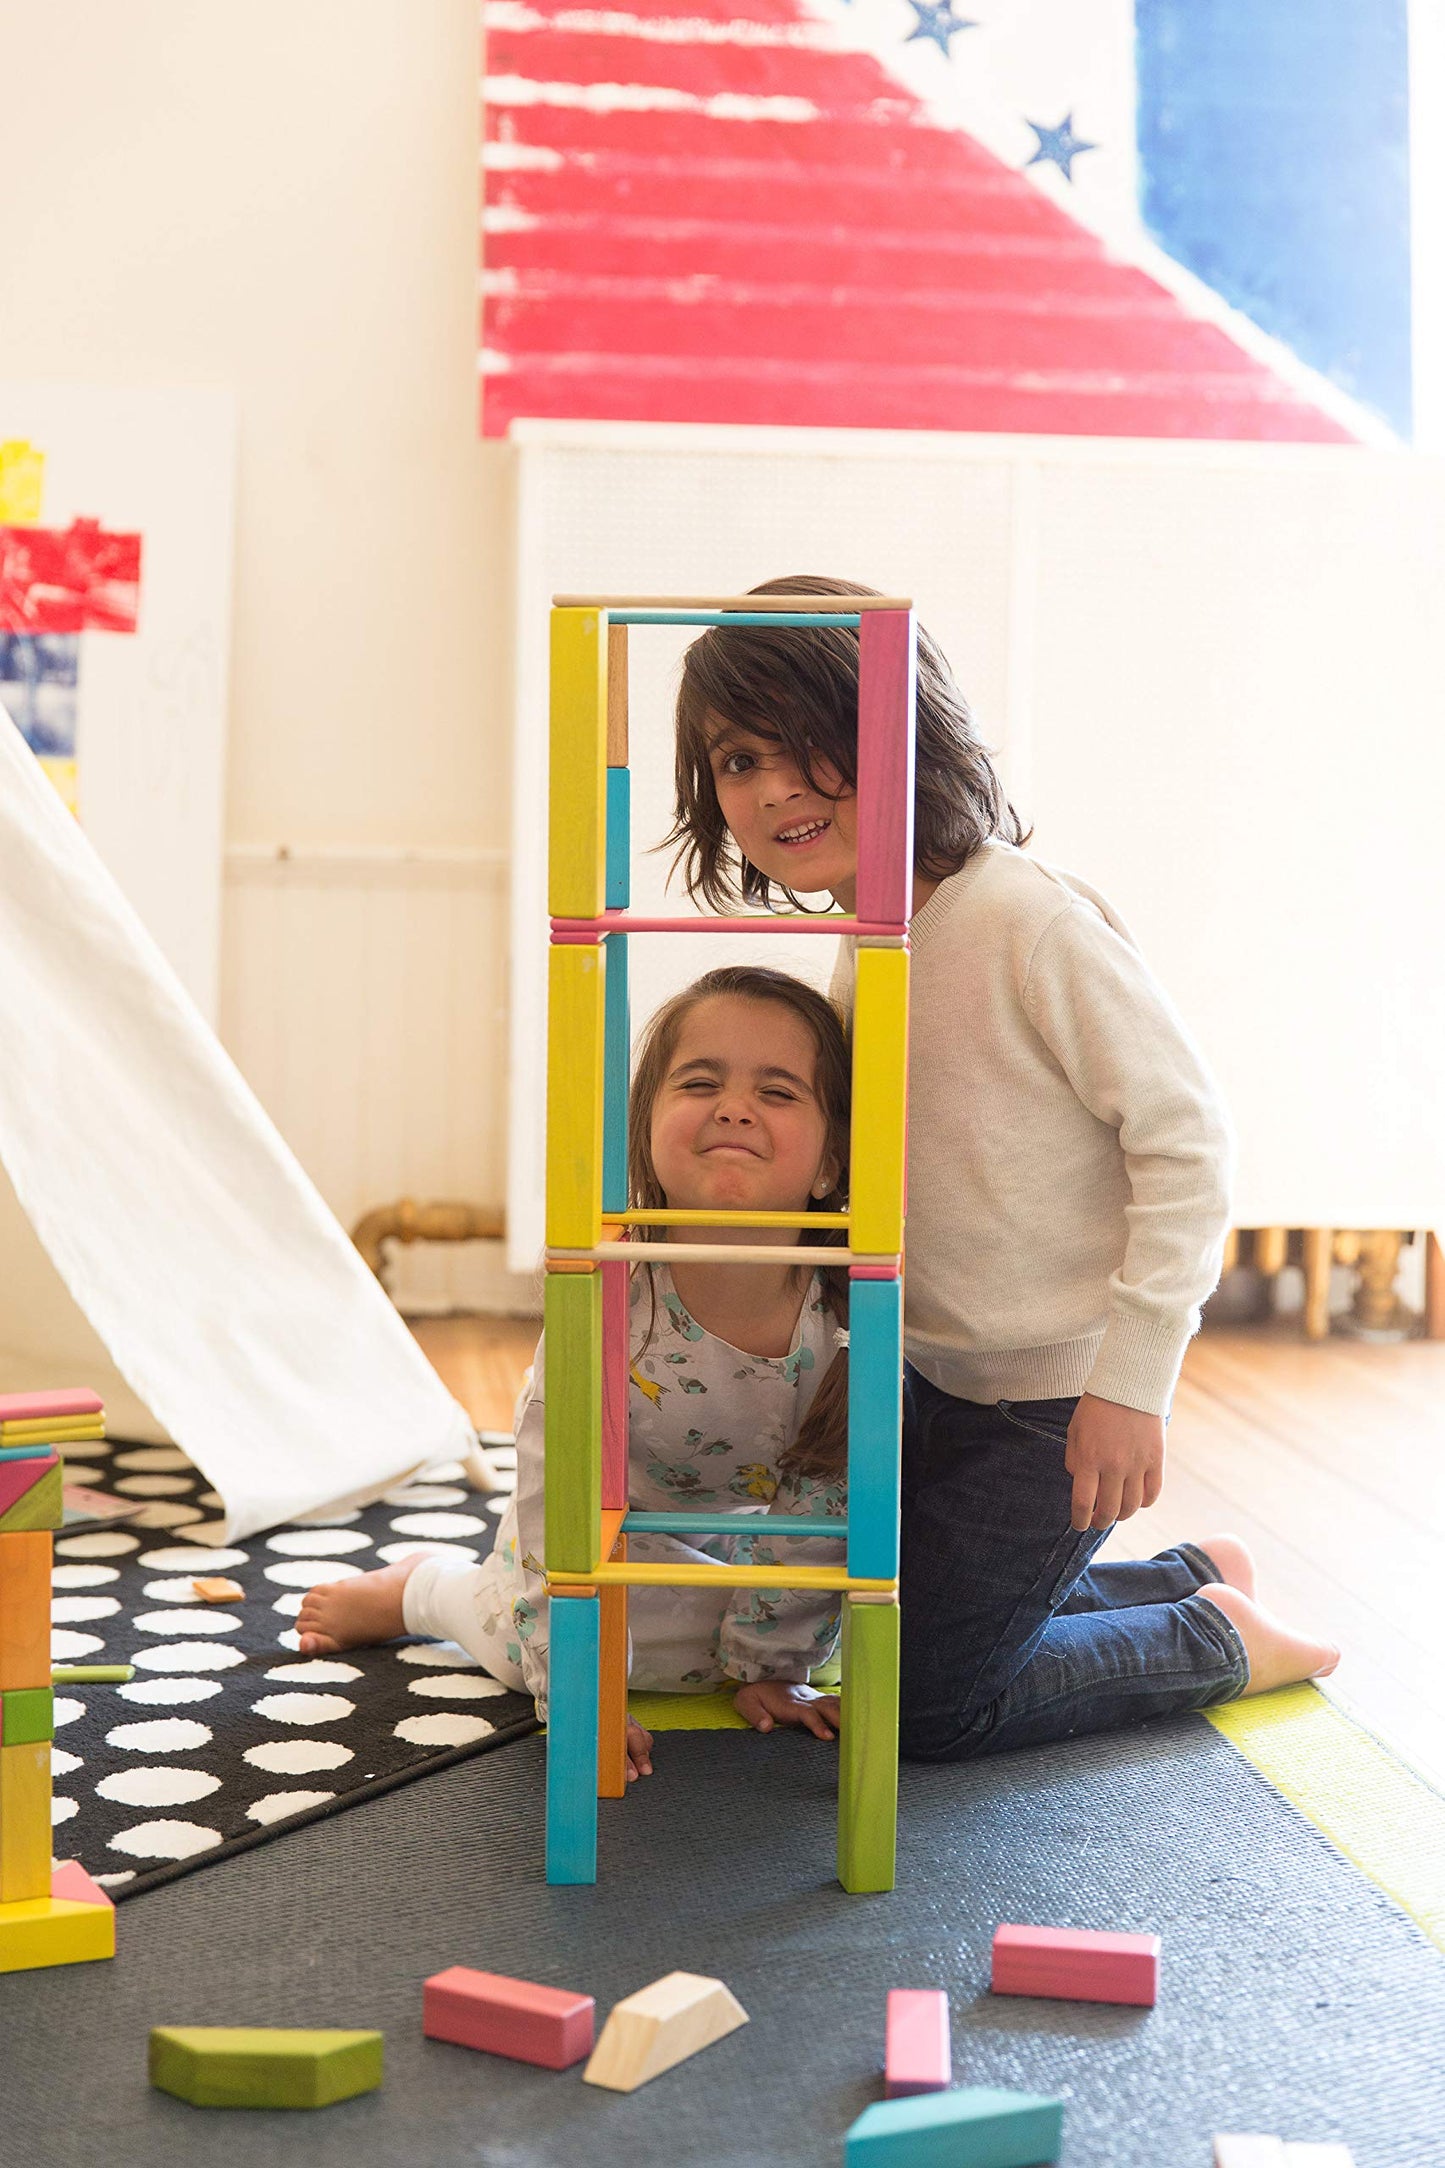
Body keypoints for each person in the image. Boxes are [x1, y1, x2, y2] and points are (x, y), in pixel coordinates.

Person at [665, 573, 1338, 1762]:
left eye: (806, 744)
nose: (770, 787)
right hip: (933, 1375)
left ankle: (1214, 1633)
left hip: (1051, 1397)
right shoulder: (865, 946)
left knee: (922, 1706)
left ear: (901, 734)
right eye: (734, 760)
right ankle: (1184, 1572)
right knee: (862, 1630)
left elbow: (1185, 1141)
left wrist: (1129, 1383)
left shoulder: (1025, 920)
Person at [297, 965, 854, 1779]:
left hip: (724, 1528)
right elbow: (550, 1504)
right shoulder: (606, 1295)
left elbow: (823, 1508)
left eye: (777, 1093)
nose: (734, 1106)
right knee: (535, 1643)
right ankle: (431, 1589)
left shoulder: (845, 1314)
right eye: (701, 1082)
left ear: (831, 1164)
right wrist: (574, 1686)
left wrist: (772, 1665)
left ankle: (693, 1630)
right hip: (585, 1525)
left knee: (779, 1631)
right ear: (647, 1134)